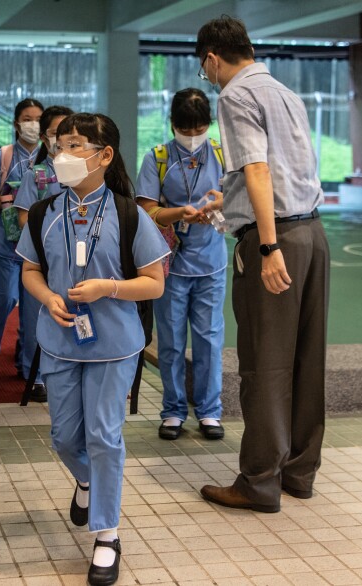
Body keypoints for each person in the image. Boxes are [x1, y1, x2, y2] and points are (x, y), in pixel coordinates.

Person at [16, 113, 169, 586]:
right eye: (60, 146)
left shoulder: (129, 214)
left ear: (104, 155)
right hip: (60, 342)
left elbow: (155, 283)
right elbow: (30, 271)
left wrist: (109, 287)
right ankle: (87, 480)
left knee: (104, 436)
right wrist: (47, 297)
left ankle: (106, 534)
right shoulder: (44, 213)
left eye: (75, 145)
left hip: (115, 345)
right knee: (65, 438)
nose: (63, 155)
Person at [195, 16, 330, 513]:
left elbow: (257, 168)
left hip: (276, 239)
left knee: (266, 362)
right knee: (306, 358)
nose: (208, 76)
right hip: (312, 234)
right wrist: (229, 202)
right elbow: (287, 170)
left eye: (204, 67)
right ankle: (299, 472)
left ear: (213, 58)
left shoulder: (234, 95)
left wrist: (268, 248)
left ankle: (258, 482)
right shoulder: (286, 93)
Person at [135, 88, 227, 441]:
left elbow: (240, 196)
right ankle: (173, 410)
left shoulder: (222, 154)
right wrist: (179, 213)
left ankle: (209, 411)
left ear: (209, 124)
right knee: (171, 341)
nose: (192, 136)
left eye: (199, 129)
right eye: (185, 130)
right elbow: (146, 209)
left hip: (211, 262)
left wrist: (220, 204)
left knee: (209, 339)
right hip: (170, 265)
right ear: (172, 123)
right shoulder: (157, 158)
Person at [0, 98, 44, 380]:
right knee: (3, 299)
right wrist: (10, 202)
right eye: (27, 119)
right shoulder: (2, 156)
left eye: (38, 119)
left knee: (34, 310)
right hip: (5, 244)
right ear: (16, 124)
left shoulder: (49, 159)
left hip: (37, 247)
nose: (33, 125)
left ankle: (29, 368)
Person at [13, 105, 74, 402]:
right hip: (43, 259)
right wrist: (51, 236)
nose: (61, 141)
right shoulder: (37, 174)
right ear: (45, 137)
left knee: (69, 314)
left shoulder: (82, 172)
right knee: (35, 317)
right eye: (55, 134)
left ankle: (68, 369)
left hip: (76, 261)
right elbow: (23, 217)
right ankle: (34, 374)